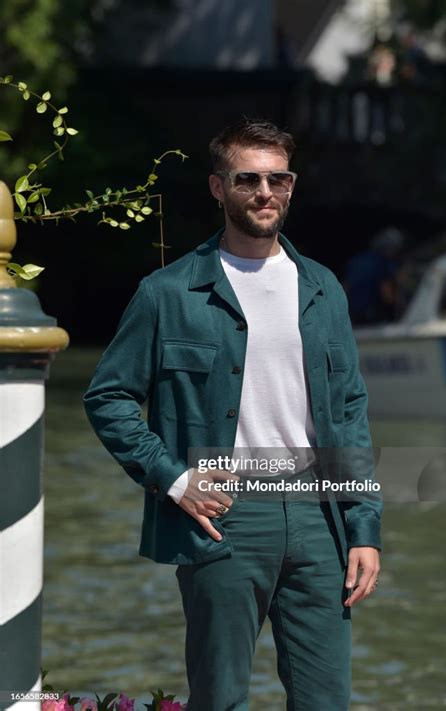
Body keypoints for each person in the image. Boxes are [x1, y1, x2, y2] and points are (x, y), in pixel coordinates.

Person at [83, 119, 382, 711]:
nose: (265, 193)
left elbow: (350, 412)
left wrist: (364, 526)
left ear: (292, 186)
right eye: (249, 179)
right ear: (219, 188)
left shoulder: (323, 288)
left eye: (279, 179)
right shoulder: (167, 293)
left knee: (327, 700)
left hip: (320, 517)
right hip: (224, 516)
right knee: (219, 698)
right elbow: (108, 398)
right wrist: (174, 479)